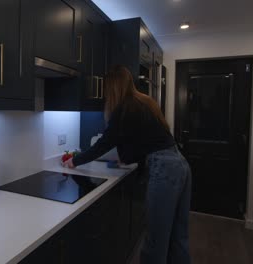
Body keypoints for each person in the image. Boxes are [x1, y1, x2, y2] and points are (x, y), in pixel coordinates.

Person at [63, 65, 192, 264]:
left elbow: (103, 144)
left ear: (112, 88)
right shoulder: (144, 102)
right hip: (180, 165)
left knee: (155, 242)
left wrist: (75, 160)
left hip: (165, 169)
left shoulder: (124, 108)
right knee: (178, 237)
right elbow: (145, 140)